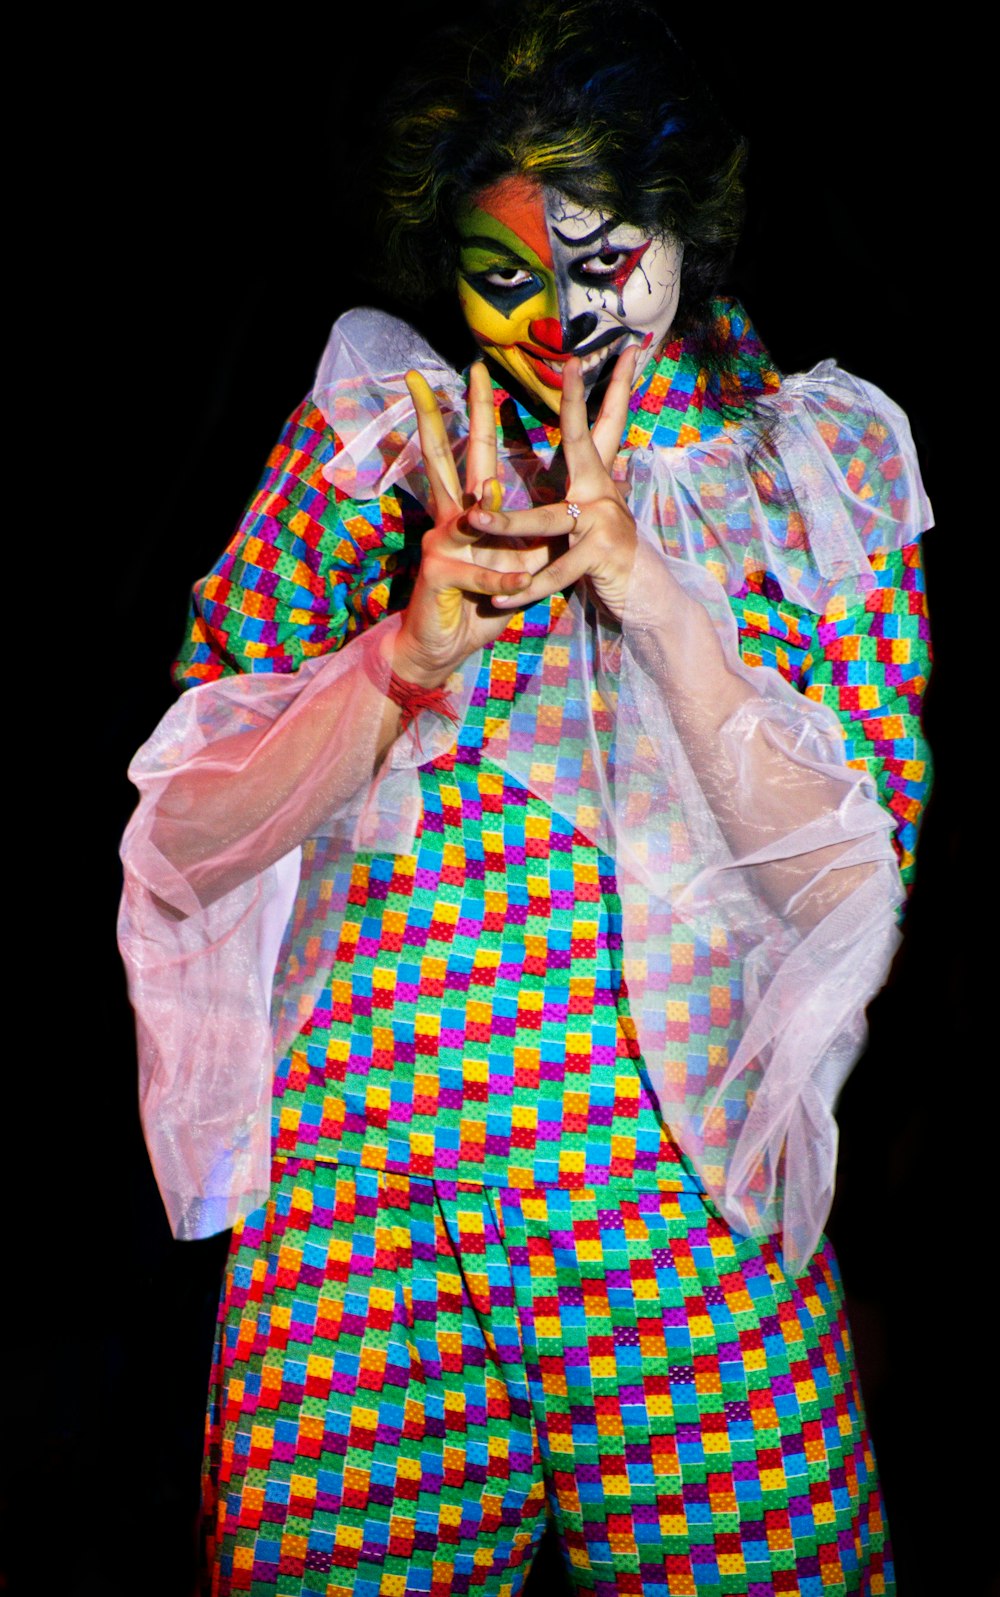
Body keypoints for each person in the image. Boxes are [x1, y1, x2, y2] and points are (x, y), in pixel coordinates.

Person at [119, 4, 932, 1592]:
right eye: (510, 274)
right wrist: (401, 658)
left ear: (685, 226)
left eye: (604, 258)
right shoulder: (374, 439)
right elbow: (187, 843)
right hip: (364, 1227)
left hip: (679, 1229)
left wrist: (657, 600)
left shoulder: (806, 467)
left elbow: (856, 897)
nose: (561, 319)